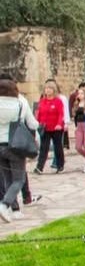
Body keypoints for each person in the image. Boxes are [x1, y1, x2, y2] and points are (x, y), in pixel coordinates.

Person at [0, 79, 39, 223]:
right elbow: (32, 123)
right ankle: (4, 205)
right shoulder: (20, 103)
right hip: (14, 145)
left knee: (7, 178)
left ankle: (15, 209)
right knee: (19, 179)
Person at [34, 81, 66, 174]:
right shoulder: (42, 101)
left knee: (58, 147)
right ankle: (39, 167)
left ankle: (60, 165)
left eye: (50, 88)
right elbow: (39, 113)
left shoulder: (58, 101)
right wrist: (38, 123)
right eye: (46, 88)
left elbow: (61, 114)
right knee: (44, 147)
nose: (47, 90)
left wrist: (59, 124)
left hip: (56, 128)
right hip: (45, 128)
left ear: (54, 90)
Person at [72, 84, 85, 173]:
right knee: (78, 147)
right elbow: (74, 115)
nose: (79, 95)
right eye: (79, 93)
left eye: (82, 93)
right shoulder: (76, 104)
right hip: (79, 125)